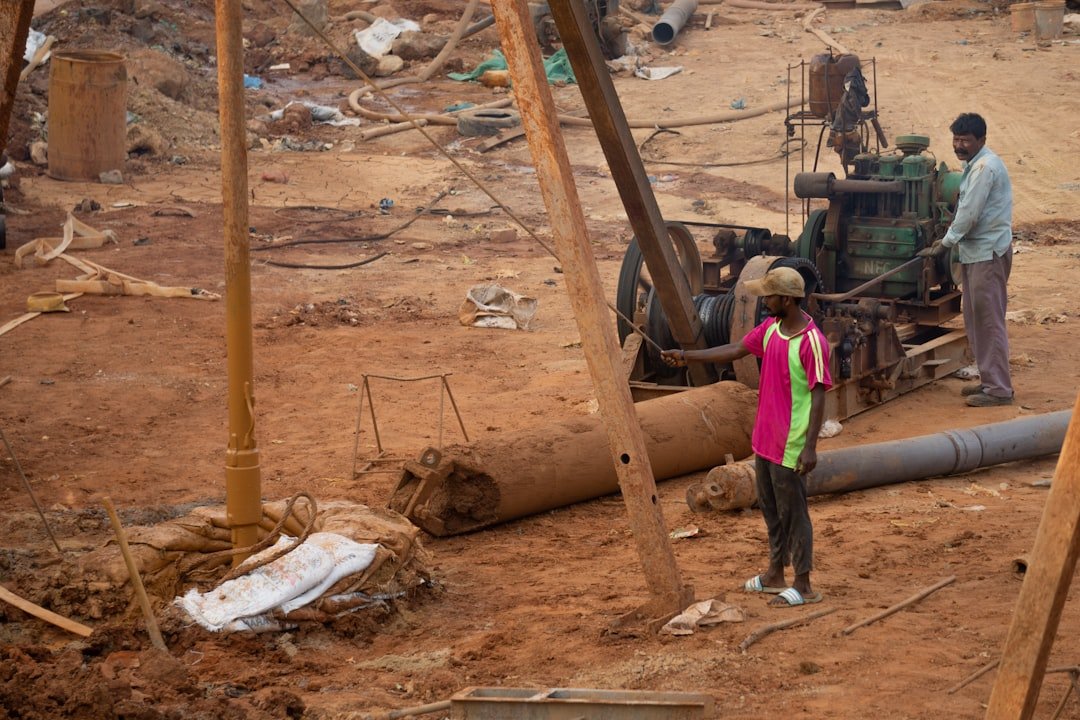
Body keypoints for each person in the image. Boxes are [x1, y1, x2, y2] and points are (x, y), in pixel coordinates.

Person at [660, 266, 831, 608]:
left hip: (791, 444)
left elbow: (818, 395)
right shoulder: (770, 329)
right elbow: (737, 349)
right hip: (765, 439)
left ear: (786, 298)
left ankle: (804, 584)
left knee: (794, 512)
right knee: (770, 508)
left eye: (768, 295)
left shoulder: (812, 342)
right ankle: (774, 574)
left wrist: (810, 447)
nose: (763, 300)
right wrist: (686, 356)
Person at [919, 113, 1014, 407]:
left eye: (966, 141)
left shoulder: (984, 168)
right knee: (975, 320)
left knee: (988, 322)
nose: (959, 146)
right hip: (976, 254)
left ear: (981, 140)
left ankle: (999, 390)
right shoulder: (972, 165)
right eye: (956, 140)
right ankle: (989, 382)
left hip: (988, 254)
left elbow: (969, 214)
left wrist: (944, 243)